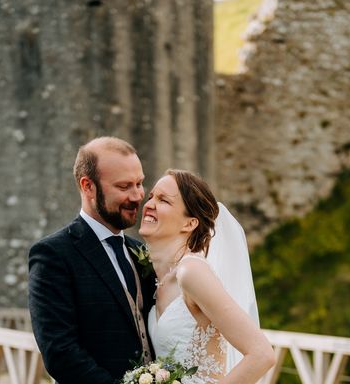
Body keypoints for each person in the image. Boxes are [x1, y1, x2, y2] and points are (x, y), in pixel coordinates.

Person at [28, 137, 156, 384]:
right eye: (123, 186)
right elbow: (59, 352)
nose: (138, 195)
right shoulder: (53, 254)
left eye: (139, 183)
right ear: (88, 186)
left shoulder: (140, 251)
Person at [140, 169, 276, 384]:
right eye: (151, 197)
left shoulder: (192, 272)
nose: (149, 204)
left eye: (163, 200)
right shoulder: (160, 279)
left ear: (190, 223)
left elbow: (262, 354)